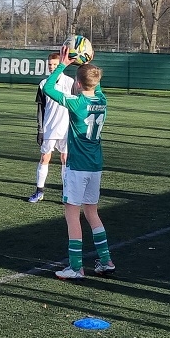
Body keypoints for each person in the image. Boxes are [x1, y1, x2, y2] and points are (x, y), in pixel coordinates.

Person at [42, 45, 115, 280]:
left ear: (78, 83)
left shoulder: (76, 102)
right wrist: (86, 63)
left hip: (77, 167)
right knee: (92, 212)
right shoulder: (102, 100)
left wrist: (63, 64)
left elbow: (48, 87)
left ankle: (76, 267)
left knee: (72, 215)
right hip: (95, 165)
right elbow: (94, 84)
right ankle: (106, 261)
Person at [28, 52, 72, 203]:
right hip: (49, 128)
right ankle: (39, 191)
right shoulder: (43, 84)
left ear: (61, 65)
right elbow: (41, 108)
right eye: (50, 65)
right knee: (45, 158)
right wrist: (40, 129)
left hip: (66, 128)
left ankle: (66, 193)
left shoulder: (70, 82)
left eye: (55, 64)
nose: (52, 67)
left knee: (65, 159)